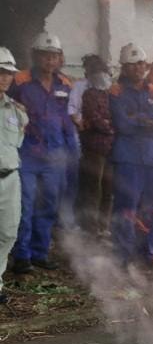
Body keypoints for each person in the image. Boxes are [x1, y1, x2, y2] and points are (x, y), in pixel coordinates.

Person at [10, 32, 78, 274]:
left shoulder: (65, 84)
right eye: (45, 55)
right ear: (35, 56)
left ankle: (40, 253)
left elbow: (66, 120)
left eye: (54, 56)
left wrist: (72, 150)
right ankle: (22, 255)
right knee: (25, 205)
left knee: (49, 205)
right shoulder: (19, 81)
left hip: (55, 155)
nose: (50, 61)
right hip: (27, 153)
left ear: (59, 58)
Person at [109, 43, 153, 268]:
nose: (138, 68)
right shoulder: (116, 91)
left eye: (141, 64)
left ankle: (148, 252)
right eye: (132, 65)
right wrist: (148, 120)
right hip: (128, 158)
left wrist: (141, 119)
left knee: (151, 208)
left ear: (146, 66)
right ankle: (123, 255)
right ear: (124, 68)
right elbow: (122, 123)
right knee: (127, 207)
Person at [0, 47, 28, 301]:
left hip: (10, 178)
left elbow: (18, 140)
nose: (5, 78)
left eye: (9, 73)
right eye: (1, 72)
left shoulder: (16, 111)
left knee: (8, 232)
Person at [76, 57, 116, 236]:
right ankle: (90, 226)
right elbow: (96, 120)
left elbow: (119, 118)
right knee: (93, 188)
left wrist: (112, 125)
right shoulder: (89, 95)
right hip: (93, 149)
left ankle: (104, 225)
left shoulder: (111, 95)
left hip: (110, 149)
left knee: (108, 188)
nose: (102, 75)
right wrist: (112, 126)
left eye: (104, 71)